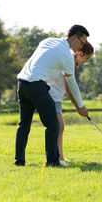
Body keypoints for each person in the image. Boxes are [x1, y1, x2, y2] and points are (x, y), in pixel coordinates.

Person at [15, 25, 90, 167]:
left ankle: (19, 161)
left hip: (22, 84)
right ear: (74, 38)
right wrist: (80, 105)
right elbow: (71, 83)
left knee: (23, 124)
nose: (82, 46)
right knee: (53, 125)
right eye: (82, 42)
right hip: (37, 85)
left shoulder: (47, 41)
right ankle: (53, 162)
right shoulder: (67, 56)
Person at [48, 42, 94, 167]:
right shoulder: (67, 61)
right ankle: (56, 158)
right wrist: (79, 106)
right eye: (87, 58)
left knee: (60, 127)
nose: (86, 61)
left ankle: (60, 157)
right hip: (51, 95)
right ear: (80, 53)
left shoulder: (69, 62)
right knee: (59, 126)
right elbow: (69, 87)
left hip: (56, 97)